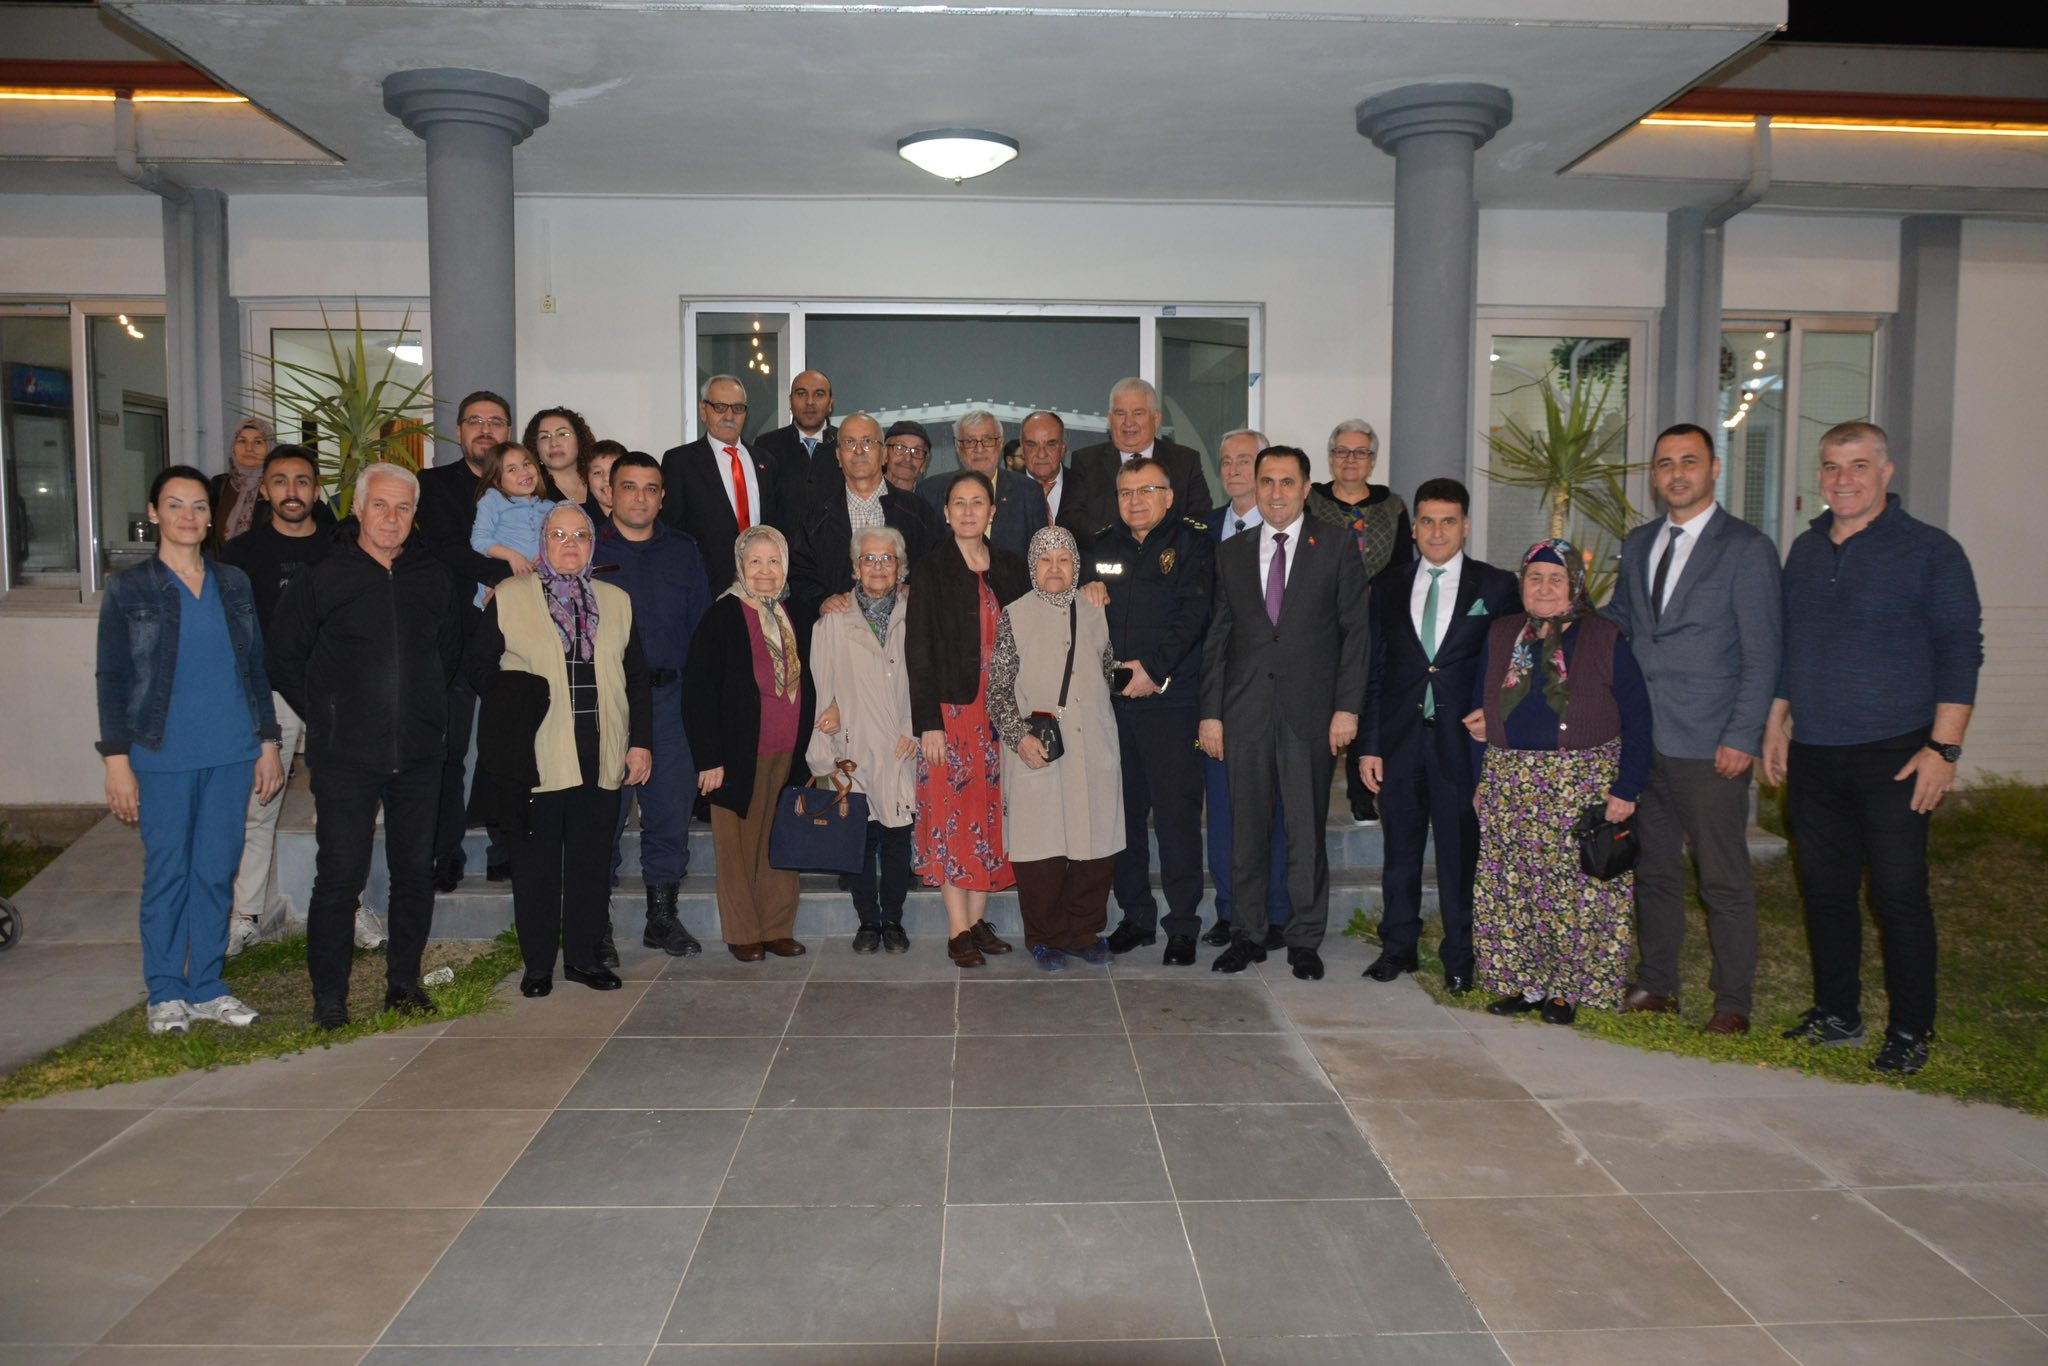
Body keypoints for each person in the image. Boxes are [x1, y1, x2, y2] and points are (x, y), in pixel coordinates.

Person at [1764, 421, 1982, 1076]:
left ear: (1886, 472)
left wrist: (1944, 750)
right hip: (1815, 751)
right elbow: (1791, 646)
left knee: (1898, 895)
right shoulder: (1805, 551)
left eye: (1859, 465)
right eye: (1832, 466)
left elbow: (1960, 650)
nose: (1844, 479)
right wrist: (1776, 723)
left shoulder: (1931, 550)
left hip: (1898, 753)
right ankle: (1838, 1014)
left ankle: (1911, 1029)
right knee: (1824, 890)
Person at [268, 462, 464, 1029]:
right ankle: (329, 996)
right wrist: (326, 715)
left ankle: (403, 984)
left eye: (403, 508)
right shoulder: (323, 577)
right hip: (345, 757)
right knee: (339, 877)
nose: (391, 518)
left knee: (413, 874)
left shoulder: (434, 577)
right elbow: (283, 656)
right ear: (356, 508)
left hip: (419, 755)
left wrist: (422, 711)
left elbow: (447, 655)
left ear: (414, 515)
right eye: (380, 505)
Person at [1604, 423, 1783, 1035]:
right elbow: (1623, 620)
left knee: (1722, 879)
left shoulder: (1747, 548)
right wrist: (1562, 619)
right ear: (1654, 476)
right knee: (1653, 870)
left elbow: (1763, 652)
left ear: (1714, 469)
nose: (1676, 473)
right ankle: (1657, 984)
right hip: (1645, 740)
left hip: (1710, 744)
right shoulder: (1639, 543)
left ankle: (1733, 1003)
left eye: (1689, 461)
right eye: (1665, 463)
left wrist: (1742, 735)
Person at [97, 466, 283, 1035]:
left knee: (216, 873)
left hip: (232, 751)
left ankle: (206, 986)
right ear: (154, 513)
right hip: (161, 755)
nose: (188, 516)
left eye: (199, 506)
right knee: (169, 873)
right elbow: (112, 677)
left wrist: (268, 743)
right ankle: (165, 992)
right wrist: (116, 760)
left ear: (211, 517)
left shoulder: (233, 583)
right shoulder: (130, 588)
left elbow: (254, 668)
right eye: (175, 505)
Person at [1198, 445, 1367, 981]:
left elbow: (1356, 634)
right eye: (1266, 481)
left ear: (1306, 488)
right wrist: (1210, 714)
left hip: (1310, 715)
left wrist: (1347, 708)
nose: (1275, 492)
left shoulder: (1336, 546)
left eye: (1286, 482)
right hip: (1244, 712)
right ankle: (1247, 935)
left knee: (1305, 832)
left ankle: (1304, 939)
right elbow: (1218, 638)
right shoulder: (1232, 552)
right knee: (1245, 832)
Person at [469, 504, 653, 995]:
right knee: (536, 867)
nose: (570, 544)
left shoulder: (616, 600)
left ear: (592, 545)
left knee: (591, 866)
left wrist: (640, 743)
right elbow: (477, 667)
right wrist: (517, 695)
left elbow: (637, 679)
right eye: (558, 535)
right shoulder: (510, 596)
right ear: (542, 543)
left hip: (600, 753)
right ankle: (537, 966)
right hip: (537, 756)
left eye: (580, 535)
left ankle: (584, 959)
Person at [1467, 538, 1652, 1025]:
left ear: (1575, 585)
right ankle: (1524, 983)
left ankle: (1567, 989)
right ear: (1521, 584)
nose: (1545, 588)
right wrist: (1481, 778)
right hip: (1510, 781)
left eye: (1557, 579)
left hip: (1580, 784)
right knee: (1512, 888)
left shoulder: (1604, 637)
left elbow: (1639, 718)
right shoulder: (1503, 633)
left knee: (1574, 893)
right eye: (1535, 578)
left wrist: (1627, 789)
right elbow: (1483, 708)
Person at [1356, 478, 1518, 995]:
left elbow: (1516, 663)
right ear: (1414, 529)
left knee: (1459, 854)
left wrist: (1495, 712)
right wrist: (1369, 745)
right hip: (1400, 741)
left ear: (1465, 526)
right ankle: (1397, 947)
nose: (1437, 531)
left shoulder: (1496, 586)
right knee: (1399, 853)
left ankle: (1460, 957)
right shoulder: (1387, 585)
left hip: (1462, 745)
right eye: (1427, 521)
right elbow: (1375, 670)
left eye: (1448, 521)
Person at [1092, 457, 1215, 966]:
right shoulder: (1101, 547)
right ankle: (1136, 917)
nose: (1135, 501)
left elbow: (1194, 616)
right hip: (1113, 706)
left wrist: (1155, 671)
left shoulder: (1192, 543)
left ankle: (1182, 925)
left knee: (1176, 817)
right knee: (1122, 817)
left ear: (1168, 496)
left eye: (1146, 490)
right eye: (1126, 492)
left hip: (1172, 702)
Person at [988, 526, 1125, 971]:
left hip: (1093, 746)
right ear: (1033, 566)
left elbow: (1107, 670)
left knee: (1094, 843)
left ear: (1075, 566)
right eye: (1045, 560)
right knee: (1040, 848)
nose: (1054, 568)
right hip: (1040, 749)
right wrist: (1018, 737)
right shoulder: (1015, 615)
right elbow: (997, 692)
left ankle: (1084, 932)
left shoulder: (1094, 610)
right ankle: (1044, 937)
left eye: (1063, 559)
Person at [593, 452, 712, 958]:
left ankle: (661, 917)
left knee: (669, 813)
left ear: (662, 497)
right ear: (610, 493)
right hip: (606, 701)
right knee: (603, 815)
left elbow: (702, 631)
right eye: (629, 486)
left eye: (650, 488)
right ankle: (594, 923)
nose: (640, 497)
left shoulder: (684, 551)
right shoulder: (588, 547)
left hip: (670, 701)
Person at [907, 470, 1028, 968]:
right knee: (953, 818)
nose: (968, 511)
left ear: (992, 511)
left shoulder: (1011, 567)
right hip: (952, 713)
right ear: (946, 512)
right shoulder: (931, 568)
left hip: (1001, 713)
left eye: (978, 502)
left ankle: (978, 923)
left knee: (990, 816)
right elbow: (918, 651)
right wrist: (927, 722)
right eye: (959, 502)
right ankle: (957, 931)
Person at [219, 444, 333, 955]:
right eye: (281, 481)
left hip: (331, 690)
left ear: (316, 490)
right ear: (264, 490)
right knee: (259, 805)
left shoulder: (339, 546)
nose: (292, 491)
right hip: (271, 695)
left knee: (341, 806)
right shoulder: (240, 554)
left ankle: (348, 905)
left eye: (302, 481)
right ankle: (245, 914)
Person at [684, 525, 816, 962]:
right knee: (737, 850)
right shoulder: (722, 616)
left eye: (773, 561)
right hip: (737, 755)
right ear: (740, 566)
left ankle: (777, 928)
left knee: (781, 843)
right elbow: (699, 693)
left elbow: (814, 676)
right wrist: (709, 759)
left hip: (788, 753)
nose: (765, 570)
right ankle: (743, 932)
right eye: (755, 561)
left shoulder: (795, 613)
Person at [417, 389, 515, 890]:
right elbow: (443, 548)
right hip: (452, 634)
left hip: (511, 636)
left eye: (495, 421)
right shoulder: (432, 486)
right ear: (458, 431)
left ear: (508, 431)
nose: (485, 430)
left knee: (507, 746)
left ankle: (505, 847)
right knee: (449, 752)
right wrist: (504, 572)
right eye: (475, 421)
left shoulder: (524, 486)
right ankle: (445, 852)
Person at [807, 527, 919, 953]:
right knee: (859, 834)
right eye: (868, 558)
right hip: (852, 745)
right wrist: (829, 722)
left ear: (900, 567)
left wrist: (912, 726)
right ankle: (867, 921)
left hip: (900, 742)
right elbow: (822, 685)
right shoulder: (832, 621)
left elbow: (927, 678)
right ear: (855, 568)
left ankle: (893, 920)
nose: (877, 566)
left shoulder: (917, 614)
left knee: (897, 835)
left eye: (887, 558)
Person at [1199, 428, 1289, 949]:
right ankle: (1230, 911)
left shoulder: (1295, 533)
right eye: (1226, 460)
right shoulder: (1202, 528)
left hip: (1276, 700)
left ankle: (1274, 912)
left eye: (1244, 460)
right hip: (1219, 694)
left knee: (1273, 811)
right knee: (1225, 811)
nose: (1233, 469)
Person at [1309, 418, 1413, 827]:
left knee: (1366, 701)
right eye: (1342, 451)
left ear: (1372, 461)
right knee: (1320, 706)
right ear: (1330, 457)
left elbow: (1403, 567)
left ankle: (1362, 792)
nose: (1350, 459)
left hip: (1374, 622)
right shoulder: (1311, 501)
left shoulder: (1394, 506)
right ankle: (1312, 792)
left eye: (1360, 453)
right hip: (1321, 621)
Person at [787, 412, 941, 611]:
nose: (859, 450)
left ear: (884, 454)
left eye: (868, 442)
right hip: (839, 625)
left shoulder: (917, 512)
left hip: (903, 626)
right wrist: (821, 601)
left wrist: (917, 590)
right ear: (838, 456)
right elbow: (799, 575)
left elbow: (938, 568)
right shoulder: (815, 518)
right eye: (849, 442)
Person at [662, 375, 780, 593]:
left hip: (762, 585)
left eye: (738, 408)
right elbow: (672, 531)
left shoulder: (765, 461)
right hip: (704, 586)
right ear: (703, 411)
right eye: (719, 407)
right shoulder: (680, 462)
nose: (729, 416)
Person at [1068, 377, 1214, 532]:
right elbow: (1073, 518)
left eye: (1137, 413)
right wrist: (1114, 540)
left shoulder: (1185, 461)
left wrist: (1158, 542)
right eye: (1120, 413)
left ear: (1156, 419)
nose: (1128, 422)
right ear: (1110, 419)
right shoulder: (1085, 461)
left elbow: (1201, 518)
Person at [915, 411, 1048, 563]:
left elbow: (1042, 559)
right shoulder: (930, 492)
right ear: (958, 447)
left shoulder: (1029, 492)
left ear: (1000, 443)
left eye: (987, 440)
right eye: (970, 441)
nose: (979, 449)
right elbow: (922, 557)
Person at [468, 440, 554, 607]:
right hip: (502, 581)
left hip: (540, 584)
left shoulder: (550, 507)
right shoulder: (493, 500)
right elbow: (479, 540)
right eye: (512, 469)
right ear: (497, 480)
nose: (524, 472)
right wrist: (513, 556)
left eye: (526, 464)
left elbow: (558, 541)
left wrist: (546, 556)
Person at [753, 369, 838, 535]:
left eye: (819, 394)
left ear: (830, 403)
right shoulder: (766, 446)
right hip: (783, 549)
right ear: (790, 401)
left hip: (836, 549)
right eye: (801, 394)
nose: (810, 401)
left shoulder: (846, 444)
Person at [208, 415, 275, 549]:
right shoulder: (219, 485)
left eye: (258, 442)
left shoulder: (275, 487)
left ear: (269, 447)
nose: (249, 448)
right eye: (242, 441)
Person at [525, 405, 599, 515]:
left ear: (579, 440)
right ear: (535, 447)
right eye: (544, 437)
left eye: (563, 434)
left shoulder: (600, 482)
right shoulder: (531, 494)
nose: (554, 443)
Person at [883, 420, 931, 495]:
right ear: (885, 454)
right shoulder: (867, 494)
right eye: (900, 448)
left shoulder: (929, 499)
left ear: (924, 464)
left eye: (916, 451)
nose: (908, 458)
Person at [587, 439, 628, 521]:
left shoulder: (646, 515)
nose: (606, 478)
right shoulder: (578, 517)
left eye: (613, 470)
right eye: (597, 472)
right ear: (587, 481)